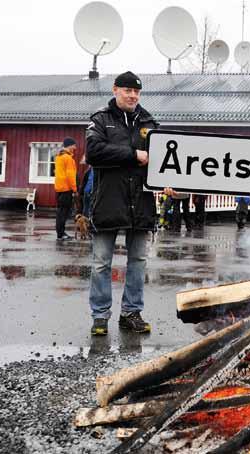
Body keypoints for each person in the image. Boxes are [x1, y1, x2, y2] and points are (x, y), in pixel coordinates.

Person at [85, 71, 161, 335]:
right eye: (127, 90)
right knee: (101, 263)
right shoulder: (100, 120)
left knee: (138, 261)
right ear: (115, 90)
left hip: (141, 203)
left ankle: (131, 313)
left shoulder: (150, 122)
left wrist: (169, 184)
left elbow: (162, 162)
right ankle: (100, 316)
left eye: (136, 92)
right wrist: (133, 155)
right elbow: (93, 152)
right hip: (108, 202)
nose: (132, 96)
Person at [54, 138, 78, 240]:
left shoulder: (58, 157)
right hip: (66, 189)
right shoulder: (68, 158)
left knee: (60, 212)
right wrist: (75, 189)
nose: (75, 148)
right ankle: (61, 234)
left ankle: (60, 233)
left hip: (59, 188)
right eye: (74, 145)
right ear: (69, 145)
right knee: (64, 212)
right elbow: (70, 175)